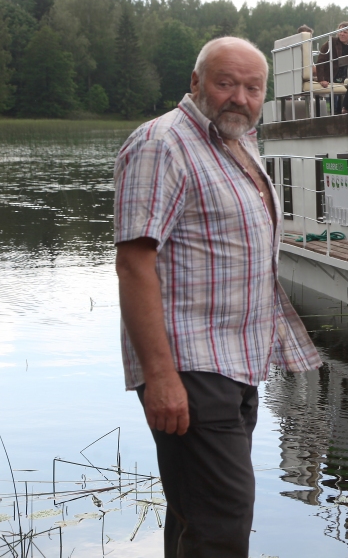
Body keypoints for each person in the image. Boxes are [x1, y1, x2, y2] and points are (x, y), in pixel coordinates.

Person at [114, 37, 321, 557]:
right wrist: (160, 378)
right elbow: (134, 264)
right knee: (221, 519)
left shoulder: (238, 142)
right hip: (188, 364)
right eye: (226, 83)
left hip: (236, 363)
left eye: (253, 88)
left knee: (198, 514)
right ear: (196, 83)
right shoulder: (162, 144)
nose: (240, 97)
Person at [316, 21, 348, 114]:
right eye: (340, 31)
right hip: (333, 77)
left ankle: (346, 110)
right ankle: (337, 115)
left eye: (345, 32)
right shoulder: (331, 42)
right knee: (335, 104)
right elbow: (320, 61)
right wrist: (322, 79)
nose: (342, 34)